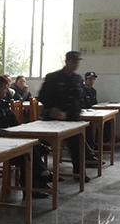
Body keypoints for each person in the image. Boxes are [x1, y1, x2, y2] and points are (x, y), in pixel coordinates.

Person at [0, 76, 53, 196]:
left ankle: (36, 182)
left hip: (9, 137)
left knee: (32, 148)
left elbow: (13, 121)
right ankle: (36, 181)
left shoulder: (3, 103)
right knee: (29, 151)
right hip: (0, 141)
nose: (6, 91)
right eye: (4, 88)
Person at [38, 51, 99, 181]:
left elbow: (78, 100)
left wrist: (74, 113)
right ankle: (44, 172)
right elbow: (42, 96)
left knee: (78, 143)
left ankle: (79, 172)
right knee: (43, 144)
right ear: (66, 62)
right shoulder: (53, 77)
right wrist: (52, 109)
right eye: (72, 62)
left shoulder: (77, 79)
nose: (75, 65)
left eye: (77, 62)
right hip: (52, 118)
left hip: (70, 118)